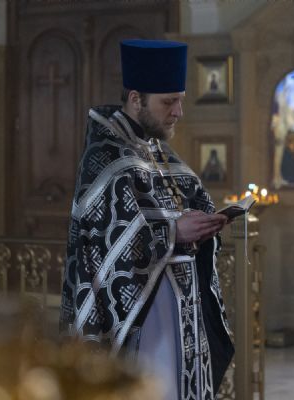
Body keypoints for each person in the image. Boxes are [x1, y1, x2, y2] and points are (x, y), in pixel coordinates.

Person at [60, 39, 234, 400]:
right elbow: (103, 244)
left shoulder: (157, 149)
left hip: (182, 310)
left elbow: (188, 199)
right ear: (136, 99)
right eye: (168, 102)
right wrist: (173, 231)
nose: (178, 112)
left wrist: (205, 223)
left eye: (180, 100)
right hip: (139, 318)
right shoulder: (105, 156)